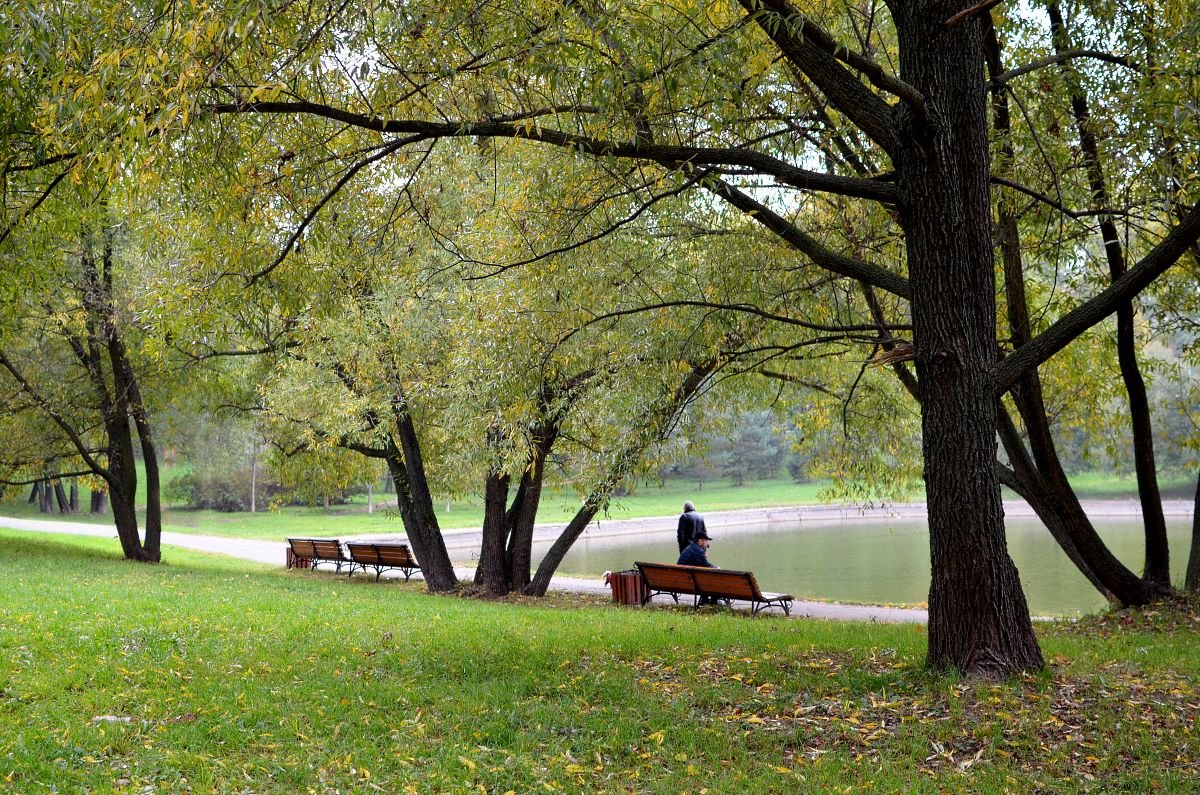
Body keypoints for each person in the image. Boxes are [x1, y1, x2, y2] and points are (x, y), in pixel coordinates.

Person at [676, 528, 720, 605]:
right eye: (706, 540)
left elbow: (702, 564)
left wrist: (704, 552)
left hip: (681, 580)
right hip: (689, 582)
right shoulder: (698, 551)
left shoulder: (691, 547)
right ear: (700, 541)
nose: (707, 542)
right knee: (713, 577)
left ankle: (705, 599)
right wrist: (717, 568)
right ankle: (713, 600)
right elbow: (707, 565)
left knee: (703, 576)